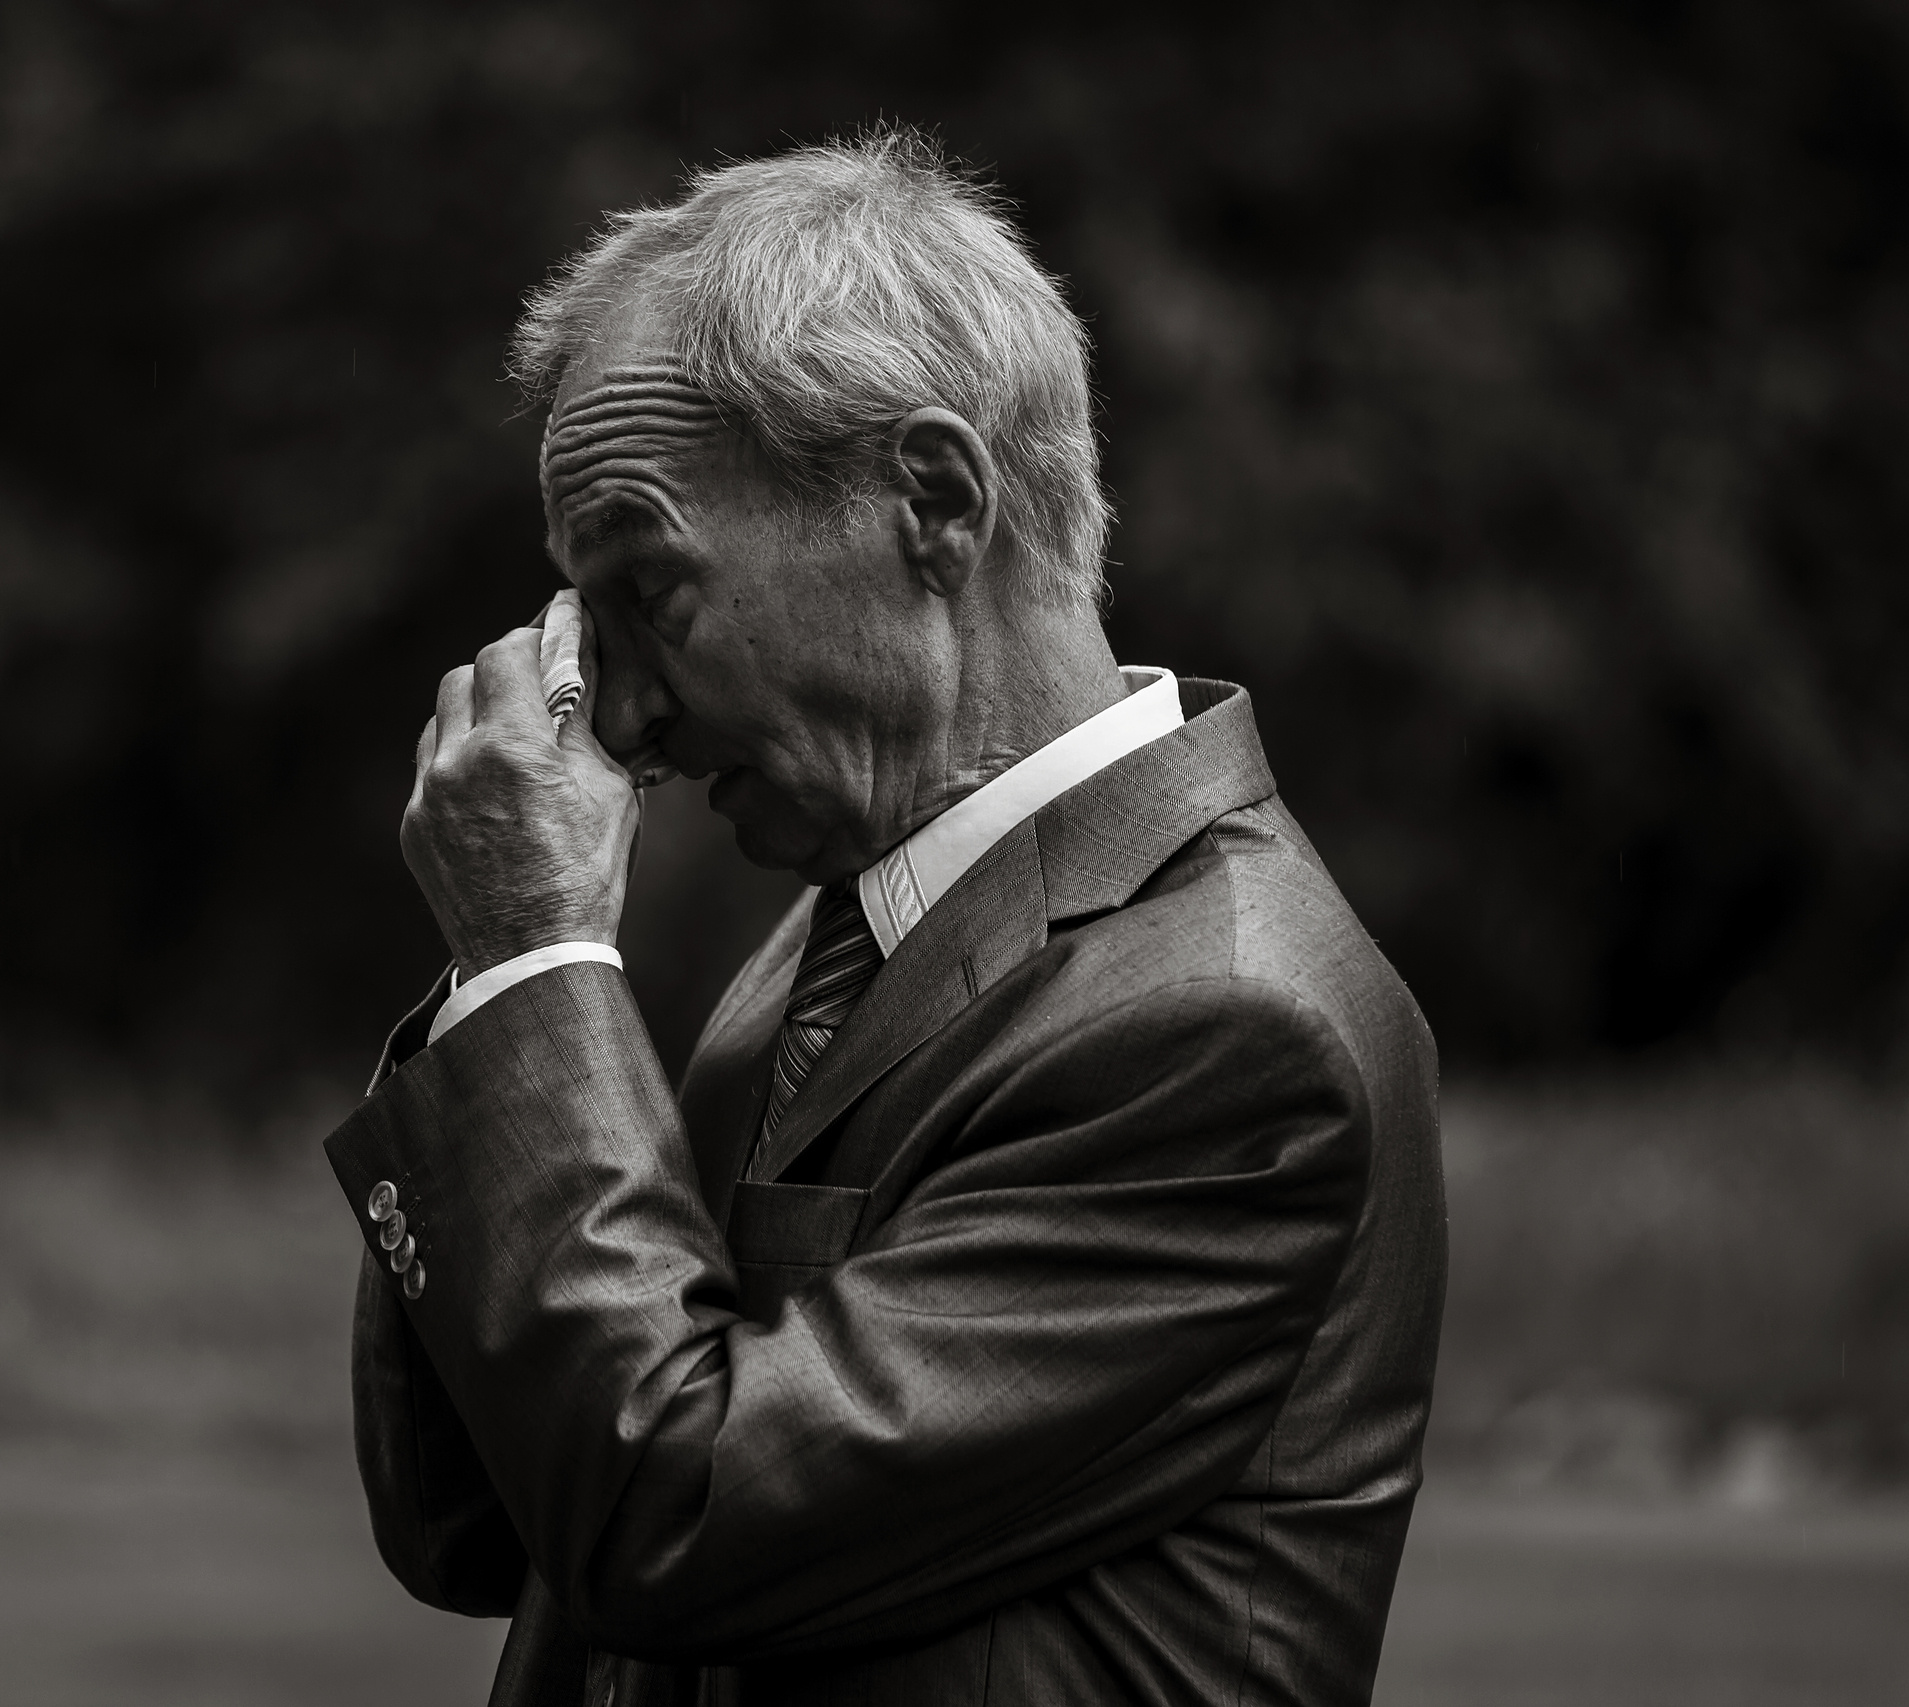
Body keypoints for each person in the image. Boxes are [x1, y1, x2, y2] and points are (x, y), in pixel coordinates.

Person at [321, 128, 1445, 1707]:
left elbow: (676, 1514)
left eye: (652, 591)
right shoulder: (844, 935)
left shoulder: (1228, 1028)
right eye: (589, 619)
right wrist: (506, 981)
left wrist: (531, 966)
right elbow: (477, 1527)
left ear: (931, 499)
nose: (622, 717)